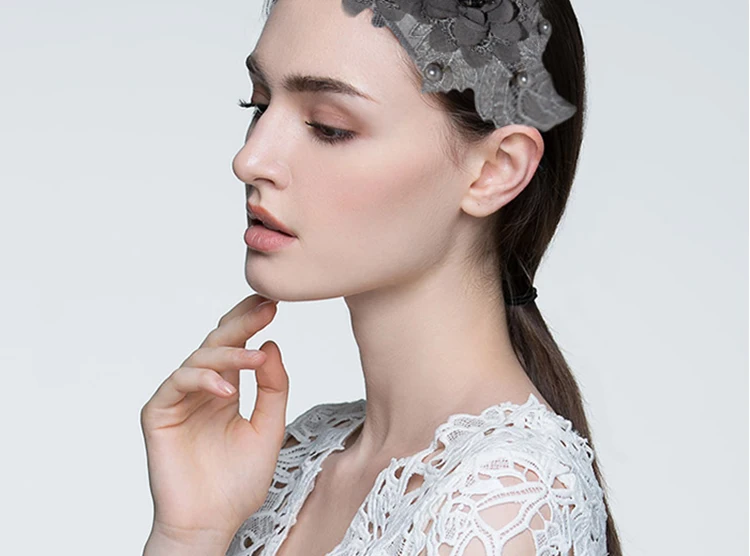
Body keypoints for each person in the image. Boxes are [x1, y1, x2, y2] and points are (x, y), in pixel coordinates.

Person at [140, 0, 623, 553]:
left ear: (495, 170)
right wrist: (189, 534)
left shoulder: (502, 508)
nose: (249, 160)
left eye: (329, 127)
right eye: (260, 104)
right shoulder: (299, 460)